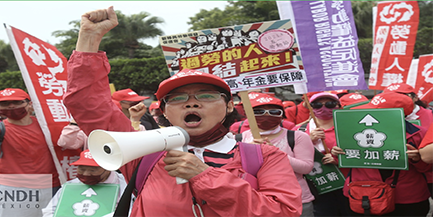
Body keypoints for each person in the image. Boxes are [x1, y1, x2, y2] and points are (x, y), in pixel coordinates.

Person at [63, 6, 302, 217]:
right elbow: (87, 104)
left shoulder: (263, 157)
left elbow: (282, 211)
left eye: (205, 96)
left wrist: (205, 177)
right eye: (177, 99)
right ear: (164, 111)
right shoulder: (144, 153)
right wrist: (89, 38)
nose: (191, 104)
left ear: (229, 105)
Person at [0, 88, 61, 217]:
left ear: (29, 104)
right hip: (14, 190)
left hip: (52, 186)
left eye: (16, 102)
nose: (11, 106)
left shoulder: (46, 126)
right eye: (5, 103)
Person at [333, 92, 431, 217]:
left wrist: (418, 158)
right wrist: (336, 153)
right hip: (363, 194)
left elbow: (427, 167)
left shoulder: (420, 134)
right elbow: (346, 161)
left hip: (406, 199)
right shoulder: (352, 131)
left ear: (398, 114)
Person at [241, 92, 315, 217]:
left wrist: (274, 152)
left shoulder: (297, 137)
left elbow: (306, 167)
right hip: (256, 202)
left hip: (296, 201)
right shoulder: (239, 139)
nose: (266, 116)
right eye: (259, 112)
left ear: (282, 115)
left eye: (274, 112)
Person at [294, 92, 351, 217]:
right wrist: (308, 140)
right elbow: (291, 157)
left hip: (348, 186)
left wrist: (340, 159)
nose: (323, 108)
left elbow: (361, 153)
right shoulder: (299, 131)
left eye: (330, 104)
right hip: (317, 187)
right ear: (310, 107)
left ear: (338, 106)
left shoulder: (349, 128)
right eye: (317, 105)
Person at [42, 149, 129, 217]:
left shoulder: (124, 185)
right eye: (82, 169)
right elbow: (49, 211)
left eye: (93, 170)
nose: (86, 174)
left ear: (107, 168)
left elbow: (132, 211)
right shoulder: (71, 186)